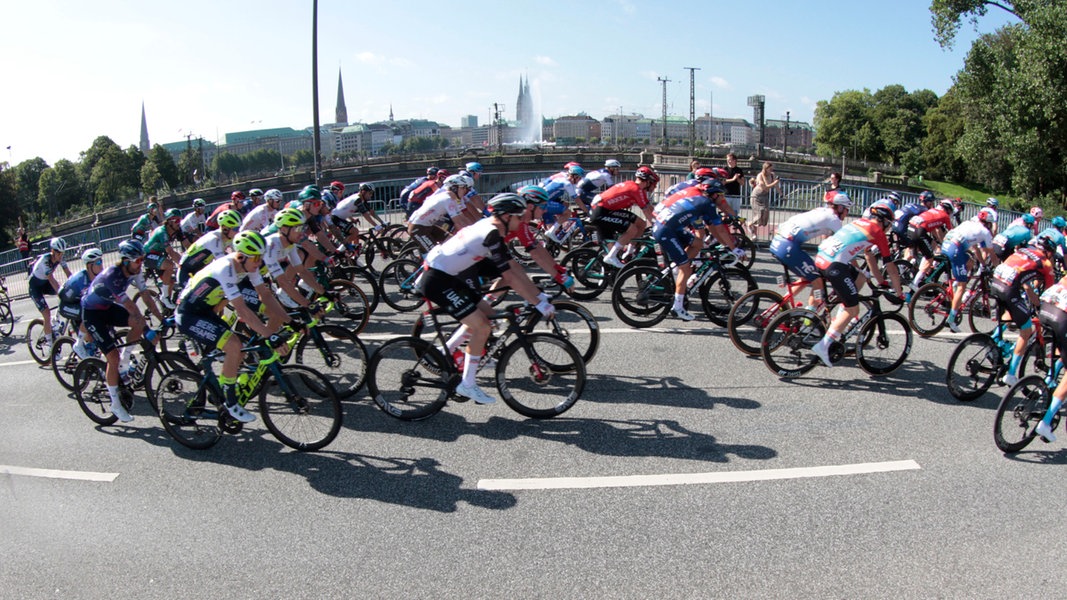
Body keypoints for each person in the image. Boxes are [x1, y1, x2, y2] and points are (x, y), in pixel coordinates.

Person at [417, 193, 555, 405]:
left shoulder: (492, 228)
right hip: (437, 279)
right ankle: (468, 384)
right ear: (506, 217)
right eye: (518, 217)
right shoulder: (491, 233)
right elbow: (510, 276)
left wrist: (537, 295)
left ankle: (448, 350)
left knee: (489, 317)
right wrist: (539, 303)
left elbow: (513, 270)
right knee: (482, 327)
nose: (521, 222)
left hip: (450, 276)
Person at [175, 231, 288, 424]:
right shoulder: (225, 269)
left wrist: (288, 320)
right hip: (189, 314)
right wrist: (271, 335)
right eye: (256, 258)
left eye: (261, 257)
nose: (259, 263)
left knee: (239, 351)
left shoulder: (247, 265)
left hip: (206, 311)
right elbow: (242, 310)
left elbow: (266, 295)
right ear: (241, 256)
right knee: (234, 345)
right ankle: (230, 402)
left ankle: (219, 391)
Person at [810, 203, 903, 367]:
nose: (889, 228)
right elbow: (892, 268)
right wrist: (899, 292)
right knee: (854, 309)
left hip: (821, 258)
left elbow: (869, 258)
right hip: (834, 266)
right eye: (889, 224)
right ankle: (823, 346)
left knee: (860, 276)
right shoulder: (878, 233)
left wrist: (881, 281)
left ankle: (836, 317)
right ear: (884, 222)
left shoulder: (858, 222)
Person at [80, 240, 162, 423]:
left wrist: (161, 319)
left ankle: (124, 364)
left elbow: (146, 296)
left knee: (137, 324)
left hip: (106, 307)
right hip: (92, 314)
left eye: (142, 259)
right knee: (112, 356)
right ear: (126, 261)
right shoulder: (112, 275)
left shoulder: (135, 271)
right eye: (138, 260)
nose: (141, 264)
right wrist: (148, 330)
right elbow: (131, 306)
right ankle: (115, 404)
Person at [651, 178, 732, 321]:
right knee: (686, 268)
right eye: (721, 195)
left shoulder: (700, 199)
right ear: (714, 194)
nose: (722, 199)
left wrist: (725, 244)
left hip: (668, 226)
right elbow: (720, 229)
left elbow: (712, 229)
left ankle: (675, 269)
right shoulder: (706, 203)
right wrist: (734, 248)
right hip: (666, 230)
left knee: (698, 243)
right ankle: (677, 307)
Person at [769, 191, 852, 311]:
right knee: (818, 281)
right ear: (840, 207)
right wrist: (855, 266)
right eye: (847, 209)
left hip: (778, 241)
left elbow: (826, 242)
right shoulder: (834, 220)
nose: (847, 213)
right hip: (788, 246)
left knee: (807, 277)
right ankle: (809, 317)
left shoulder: (820, 211)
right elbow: (844, 244)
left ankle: (778, 307)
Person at [990, 237, 1056, 386]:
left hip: (995, 281)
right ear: (1049, 253)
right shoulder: (1045, 264)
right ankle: (1011, 374)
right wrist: (1040, 307)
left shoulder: (1024, 251)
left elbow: (1027, 286)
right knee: (1026, 331)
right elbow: (1048, 296)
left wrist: (1034, 301)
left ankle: (994, 340)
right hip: (1008, 288)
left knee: (1011, 310)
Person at [593, 165, 660, 268]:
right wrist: (658, 227)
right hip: (601, 212)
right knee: (632, 229)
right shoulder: (635, 189)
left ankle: (629, 252)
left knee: (641, 223)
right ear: (648, 181)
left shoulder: (636, 188)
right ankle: (611, 256)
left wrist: (661, 217)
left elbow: (649, 208)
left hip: (608, 210)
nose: (654, 187)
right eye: (654, 184)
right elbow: (647, 212)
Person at [943, 208, 997, 332]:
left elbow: (976, 250)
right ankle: (951, 320)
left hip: (947, 243)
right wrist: (997, 269)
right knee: (963, 286)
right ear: (988, 223)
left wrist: (982, 264)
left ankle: (955, 283)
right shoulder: (985, 232)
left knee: (970, 261)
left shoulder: (969, 224)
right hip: (955, 249)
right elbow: (992, 254)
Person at [1033, 272, 1067, 442]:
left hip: (1047, 308)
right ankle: (1045, 423)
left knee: (1063, 348)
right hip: (1061, 316)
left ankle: (1048, 380)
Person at [57, 247, 104, 358]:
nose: (101, 265)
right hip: (66, 305)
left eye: (101, 261)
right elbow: (61, 295)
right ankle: (78, 344)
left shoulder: (98, 277)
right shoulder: (79, 280)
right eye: (98, 262)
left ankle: (90, 347)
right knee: (89, 312)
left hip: (78, 302)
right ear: (89, 266)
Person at [408, 174, 474, 252]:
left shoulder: (452, 199)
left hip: (428, 226)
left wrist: (475, 229)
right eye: (463, 188)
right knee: (436, 254)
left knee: (451, 240)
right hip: (418, 228)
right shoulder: (447, 199)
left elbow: (463, 218)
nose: (465, 191)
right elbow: (458, 222)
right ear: (454, 188)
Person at [176, 209, 241, 288]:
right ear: (225, 228)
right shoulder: (214, 239)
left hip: (198, 271)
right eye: (236, 229)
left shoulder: (228, 238)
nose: (238, 232)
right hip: (186, 271)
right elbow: (222, 263)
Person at [28, 237, 73, 348]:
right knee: (46, 314)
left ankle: (56, 319)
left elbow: (69, 274)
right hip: (35, 286)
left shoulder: (60, 258)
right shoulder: (45, 261)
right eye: (58, 253)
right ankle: (49, 344)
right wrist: (61, 293)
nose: (60, 256)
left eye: (62, 253)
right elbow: (52, 280)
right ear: (52, 251)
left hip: (45, 283)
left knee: (66, 290)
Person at [143, 208, 184, 308]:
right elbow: (170, 251)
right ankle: (164, 297)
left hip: (159, 255)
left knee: (171, 281)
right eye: (177, 220)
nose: (179, 223)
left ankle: (167, 306)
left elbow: (187, 244)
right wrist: (182, 264)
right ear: (169, 221)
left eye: (180, 220)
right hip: (148, 255)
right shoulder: (162, 232)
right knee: (169, 265)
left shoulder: (176, 230)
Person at [540, 165, 585, 243]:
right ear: (575, 176)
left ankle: (555, 228)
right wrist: (586, 210)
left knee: (565, 204)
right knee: (568, 213)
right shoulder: (567, 183)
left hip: (547, 199)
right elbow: (576, 199)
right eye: (579, 178)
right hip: (544, 202)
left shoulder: (563, 178)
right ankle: (552, 230)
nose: (579, 180)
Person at [748, 161, 779, 239]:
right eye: (770, 169)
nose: (771, 170)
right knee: (759, 214)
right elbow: (765, 187)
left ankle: (754, 231)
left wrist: (781, 193)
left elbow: (776, 186)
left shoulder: (772, 175)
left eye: (772, 168)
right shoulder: (760, 175)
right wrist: (775, 182)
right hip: (757, 196)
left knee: (765, 215)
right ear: (766, 169)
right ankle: (751, 227)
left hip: (764, 196)